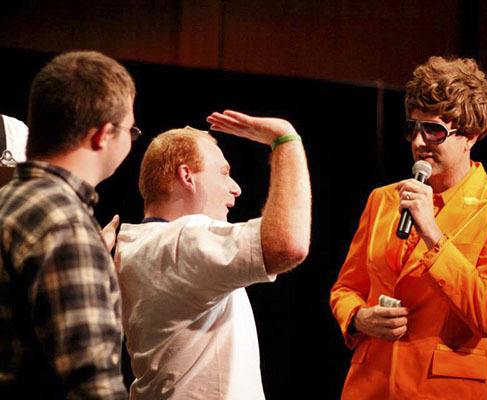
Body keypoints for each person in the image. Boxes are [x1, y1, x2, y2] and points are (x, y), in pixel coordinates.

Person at [330, 56, 487, 399]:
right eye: (414, 127)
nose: (418, 142)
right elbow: (345, 288)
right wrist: (358, 317)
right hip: (371, 387)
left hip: (444, 389)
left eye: (434, 130)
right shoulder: (382, 199)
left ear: (471, 135)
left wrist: (433, 234)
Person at [115, 110, 311, 399]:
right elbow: (287, 245)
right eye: (224, 173)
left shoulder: (134, 246)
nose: (236, 188)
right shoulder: (183, 241)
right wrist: (286, 139)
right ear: (187, 176)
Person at [0, 50, 137, 399]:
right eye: (130, 130)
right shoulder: (65, 225)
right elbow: (94, 386)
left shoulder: (9, 202)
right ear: (103, 135)